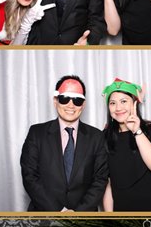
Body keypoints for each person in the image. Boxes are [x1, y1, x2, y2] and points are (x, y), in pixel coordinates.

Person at [20, 75, 108, 211]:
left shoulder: (97, 137)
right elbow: (29, 176)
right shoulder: (36, 133)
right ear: (55, 101)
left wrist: (77, 214)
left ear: (83, 104)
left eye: (77, 100)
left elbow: (100, 179)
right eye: (64, 98)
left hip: (83, 218)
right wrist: (59, 211)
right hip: (44, 215)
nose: (70, 105)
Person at [101, 78, 151, 211]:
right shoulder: (104, 137)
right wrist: (109, 217)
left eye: (124, 101)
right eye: (112, 103)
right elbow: (108, 184)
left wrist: (137, 131)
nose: (118, 108)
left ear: (135, 103)